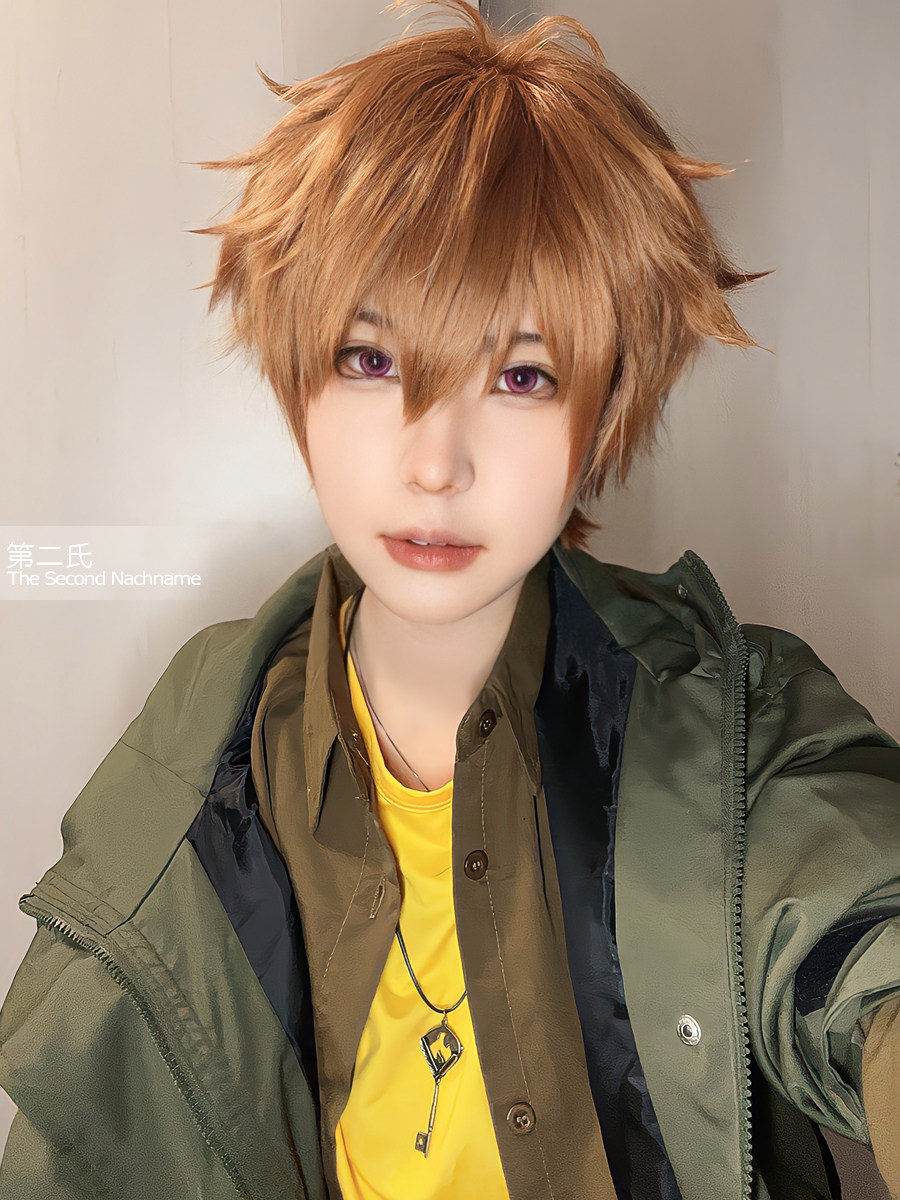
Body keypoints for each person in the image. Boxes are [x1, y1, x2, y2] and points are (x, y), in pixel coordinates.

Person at [1, 1, 898, 1197]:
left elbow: (864, 940)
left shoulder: (735, 718)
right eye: (371, 361)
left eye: (522, 376)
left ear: (603, 412)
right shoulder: (201, 745)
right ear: (298, 380)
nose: (435, 462)